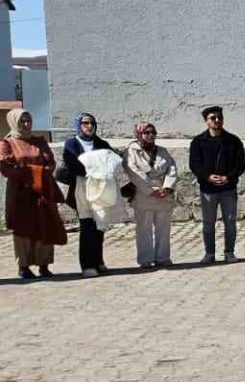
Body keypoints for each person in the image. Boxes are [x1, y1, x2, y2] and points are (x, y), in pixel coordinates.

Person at [1, 109, 67, 279]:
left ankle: (44, 264)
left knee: (45, 224)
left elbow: (50, 161)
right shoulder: (7, 143)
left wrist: (42, 172)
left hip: (43, 190)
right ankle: (23, 266)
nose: (26, 124)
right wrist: (31, 174)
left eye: (28, 120)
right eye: (22, 121)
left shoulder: (39, 141)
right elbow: (6, 168)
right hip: (20, 192)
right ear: (14, 122)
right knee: (23, 229)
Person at [58, 112, 115, 275]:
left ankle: (98, 260)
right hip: (81, 188)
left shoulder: (102, 143)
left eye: (92, 123)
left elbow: (111, 160)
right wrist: (94, 169)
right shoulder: (72, 144)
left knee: (100, 225)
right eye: (85, 123)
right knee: (87, 225)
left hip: (100, 189)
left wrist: (99, 169)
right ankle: (88, 265)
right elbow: (72, 163)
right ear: (79, 125)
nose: (89, 126)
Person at [188, 105, 245, 264]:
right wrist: (207, 177)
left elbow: (240, 165)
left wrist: (228, 177)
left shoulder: (233, 141)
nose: (217, 120)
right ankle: (209, 253)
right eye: (213, 118)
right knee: (208, 223)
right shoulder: (198, 142)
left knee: (230, 222)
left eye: (220, 117)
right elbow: (194, 164)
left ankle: (229, 252)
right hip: (208, 189)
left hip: (228, 188)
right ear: (206, 121)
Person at [123, 121, 178, 268]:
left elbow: (172, 169)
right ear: (139, 134)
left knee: (163, 228)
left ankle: (163, 257)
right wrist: (152, 190)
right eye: (146, 132)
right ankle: (146, 259)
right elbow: (134, 172)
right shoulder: (131, 151)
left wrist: (167, 187)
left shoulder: (162, 151)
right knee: (144, 229)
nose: (150, 135)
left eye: (153, 132)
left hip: (163, 195)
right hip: (144, 194)